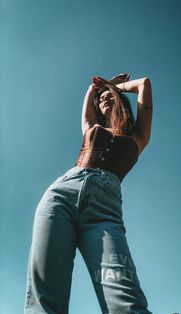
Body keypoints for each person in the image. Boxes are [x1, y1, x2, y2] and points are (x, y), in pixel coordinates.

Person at [24, 73, 153, 314]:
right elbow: (89, 95)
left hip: (104, 210)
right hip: (61, 195)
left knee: (125, 297)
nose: (104, 98)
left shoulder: (138, 136)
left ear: (119, 99)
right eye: (101, 97)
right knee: (45, 296)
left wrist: (113, 86)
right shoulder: (91, 128)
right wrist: (98, 89)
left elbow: (143, 83)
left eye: (109, 96)